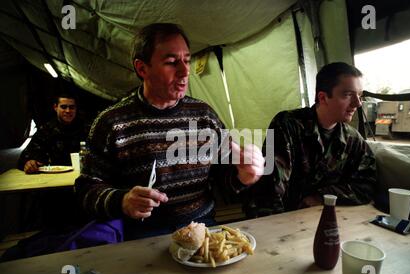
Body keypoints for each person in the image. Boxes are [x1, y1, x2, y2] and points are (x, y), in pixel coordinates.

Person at [75, 23, 264, 240]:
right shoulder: (111, 123)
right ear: (142, 68)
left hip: (201, 229)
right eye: (172, 62)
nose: (185, 72)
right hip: (142, 236)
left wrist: (243, 176)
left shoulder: (204, 116)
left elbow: (223, 181)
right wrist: (123, 200)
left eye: (187, 60)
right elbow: (85, 189)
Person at [245, 62, 377, 217]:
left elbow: (367, 186)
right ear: (323, 97)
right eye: (348, 95)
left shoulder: (353, 139)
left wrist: (321, 197)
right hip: (280, 218)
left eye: (359, 95)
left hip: (320, 216)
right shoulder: (287, 125)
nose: (358, 103)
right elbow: (270, 189)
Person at [18, 94, 87, 173]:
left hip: (81, 175)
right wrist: (29, 163)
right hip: (52, 177)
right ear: (55, 107)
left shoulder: (85, 129)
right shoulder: (46, 130)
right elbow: (24, 159)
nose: (68, 111)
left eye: (71, 107)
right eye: (63, 107)